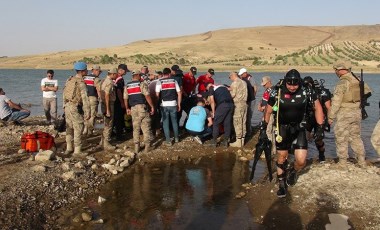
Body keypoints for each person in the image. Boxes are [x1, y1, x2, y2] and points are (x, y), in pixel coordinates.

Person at [264, 69, 324, 198]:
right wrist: (264, 129)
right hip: (282, 128)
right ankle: (281, 184)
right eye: (289, 84)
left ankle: (294, 171)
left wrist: (319, 128)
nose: (292, 87)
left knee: (301, 161)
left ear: (299, 82)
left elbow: (318, 107)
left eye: (295, 84)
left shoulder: (307, 90)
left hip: (300, 128)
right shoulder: (277, 90)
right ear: (285, 82)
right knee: (282, 157)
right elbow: (268, 111)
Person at [328, 60, 371, 168]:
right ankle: (361, 161)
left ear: (341, 70)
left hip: (345, 112)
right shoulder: (357, 79)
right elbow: (367, 92)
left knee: (341, 137)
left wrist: (331, 116)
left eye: (336, 70)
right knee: (355, 136)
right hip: (357, 111)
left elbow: (336, 102)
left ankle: (342, 163)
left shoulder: (342, 82)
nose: (336, 72)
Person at [63, 62, 90, 156]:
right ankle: (77, 151)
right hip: (74, 106)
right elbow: (85, 99)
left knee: (69, 127)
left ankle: (69, 147)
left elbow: (64, 93)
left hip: (67, 106)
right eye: (86, 70)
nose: (87, 71)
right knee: (78, 127)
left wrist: (64, 106)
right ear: (82, 71)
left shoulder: (69, 80)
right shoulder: (81, 83)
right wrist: (87, 112)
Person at [124, 70, 155, 154]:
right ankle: (147, 147)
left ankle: (136, 147)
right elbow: (147, 95)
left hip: (133, 108)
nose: (141, 77)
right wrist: (152, 106)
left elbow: (125, 98)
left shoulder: (127, 85)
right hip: (142, 107)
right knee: (145, 127)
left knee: (136, 127)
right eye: (140, 75)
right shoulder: (141, 84)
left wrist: (127, 108)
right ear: (137, 75)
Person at [304, 76, 332, 163]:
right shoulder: (304, 92)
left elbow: (328, 107)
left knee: (318, 139)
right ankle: (303, 157)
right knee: (305, 138)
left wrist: (329, 119)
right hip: (309, 117)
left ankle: (321, 155)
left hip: (320, 117)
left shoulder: (322, 92)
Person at [156, 68, 182, 146]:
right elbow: (179, 93)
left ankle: (168, 141)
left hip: (164, 105)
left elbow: (157, 95)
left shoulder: (159, 81)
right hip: (173, 104)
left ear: (163, 74)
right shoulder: (174, 81)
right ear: (169, 73)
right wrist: (179, 104)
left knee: (165, 123)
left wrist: (156, 104)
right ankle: (176, 138)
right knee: (174, 121)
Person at [206, 82, 234, 147]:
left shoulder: (211, 88)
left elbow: (212, 101)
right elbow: (231, 89)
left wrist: (213, 112)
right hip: (231, 104)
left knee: (216, 122)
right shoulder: (222, 85)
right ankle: (226, 141)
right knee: (227, 123)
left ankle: (214, 141)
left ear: (208, 86)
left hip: (223, 105)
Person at [99, 68, 118, 150]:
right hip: (108, 103)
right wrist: (108, 109)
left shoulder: (103, 80)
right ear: (113, 74)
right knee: (108, 123)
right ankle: (106, 143)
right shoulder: (110, 82)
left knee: (102, 123)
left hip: (102, 103)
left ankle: (102, 141)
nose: (117, 75)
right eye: (116, 74)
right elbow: (107, 95)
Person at [229, 72, 248, 148]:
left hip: (238, 104)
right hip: (244, 104)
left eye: (230, 77)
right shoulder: (244, 82)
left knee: (237, 122)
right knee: (243, 122)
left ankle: (238, 141)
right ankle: (242, 139)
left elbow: (232, 95)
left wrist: (228, 91)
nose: (230, 79)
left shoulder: (234, 83)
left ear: (232, 76)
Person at [83, 65, 102, 135]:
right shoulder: (96, 78)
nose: (99, 73)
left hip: (85, 98)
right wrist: (100, 98)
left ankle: (85, 129)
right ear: (94, 70)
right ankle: (90, 130)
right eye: (99, 71)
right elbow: (98, 89)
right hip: (93, 98)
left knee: (86, 114)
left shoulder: (84, 77)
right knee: (93, 115)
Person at [113, 64, 129, 140]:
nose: (126, 72)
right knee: (119, 118)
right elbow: (119, 90)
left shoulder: (113, 76)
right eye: (125, 71)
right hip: (118, 101)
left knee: (114, 117)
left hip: (113, 100)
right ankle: (119, 135)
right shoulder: (119, 79)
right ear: (121, 70)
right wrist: (122, 102)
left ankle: (112, 132)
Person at [239, 68, 257, 136]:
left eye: (241, 74)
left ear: (245, 73)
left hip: (251, 99)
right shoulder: (244, 79)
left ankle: (249, 131)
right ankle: (248, 129)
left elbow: (255, 87)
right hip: (248, 99)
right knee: (247, 115)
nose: (241, 76)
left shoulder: (250, 78)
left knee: (249, 115)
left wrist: (253, 96)